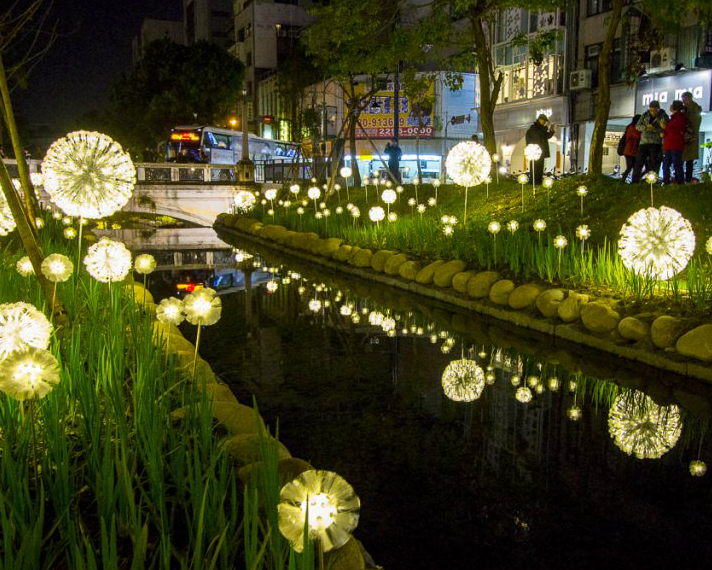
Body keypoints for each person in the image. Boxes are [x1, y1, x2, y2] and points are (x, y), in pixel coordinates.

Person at [631, 101, 667, 183]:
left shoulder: (663, 116)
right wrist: (646, 127)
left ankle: (651, 183)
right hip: (644, 142)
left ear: (658, 109)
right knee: (638, 163)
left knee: (653, 164)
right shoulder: (645, 115)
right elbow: (637, 126)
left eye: (654, 111)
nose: (652, 113)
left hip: (655, 143)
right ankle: (634, 182)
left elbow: (666, 128)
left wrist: (656, 130)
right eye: (651, 110)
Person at [661, 100, 687, 185]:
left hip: (675, 145)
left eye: (672, 105)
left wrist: (665, 127)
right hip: (669, 145)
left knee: (677, 165)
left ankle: (680, 183)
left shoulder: (680, 118)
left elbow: (676, 130)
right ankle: (666, 182)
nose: (670, 107)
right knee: (666, 165)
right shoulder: (673, 118)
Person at [525, 113, 554, 184]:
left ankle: (538, 181)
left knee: (540, 168)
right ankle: (534, 181)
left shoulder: (541, 129)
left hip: (540, 151)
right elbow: (539, 136)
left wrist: (551, 130)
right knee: (535, 167)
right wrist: (546, 128)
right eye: (544, 121)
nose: (544, 122)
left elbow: (546, 136)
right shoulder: (534, 128)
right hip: (535, 152)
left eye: (545, 121)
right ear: (540, 119)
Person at [682, 91, 702, 183]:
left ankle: (687, 181)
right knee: (684, 160)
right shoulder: (686, 109)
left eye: (685, 100)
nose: (684, 102)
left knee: (689, 161)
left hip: (690, 138)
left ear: (690, 99)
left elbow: (693, 123)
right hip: (686, 139)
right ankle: (684, 180)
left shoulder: (694, 110)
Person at [620, 114, 641, 183]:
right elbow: (637, 135)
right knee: (630, 167)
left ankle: (633, 181)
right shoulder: (632, 127)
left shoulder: (630, 126)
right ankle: (624, 181)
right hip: (630, 150)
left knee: (633, 167)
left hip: (631, 150)